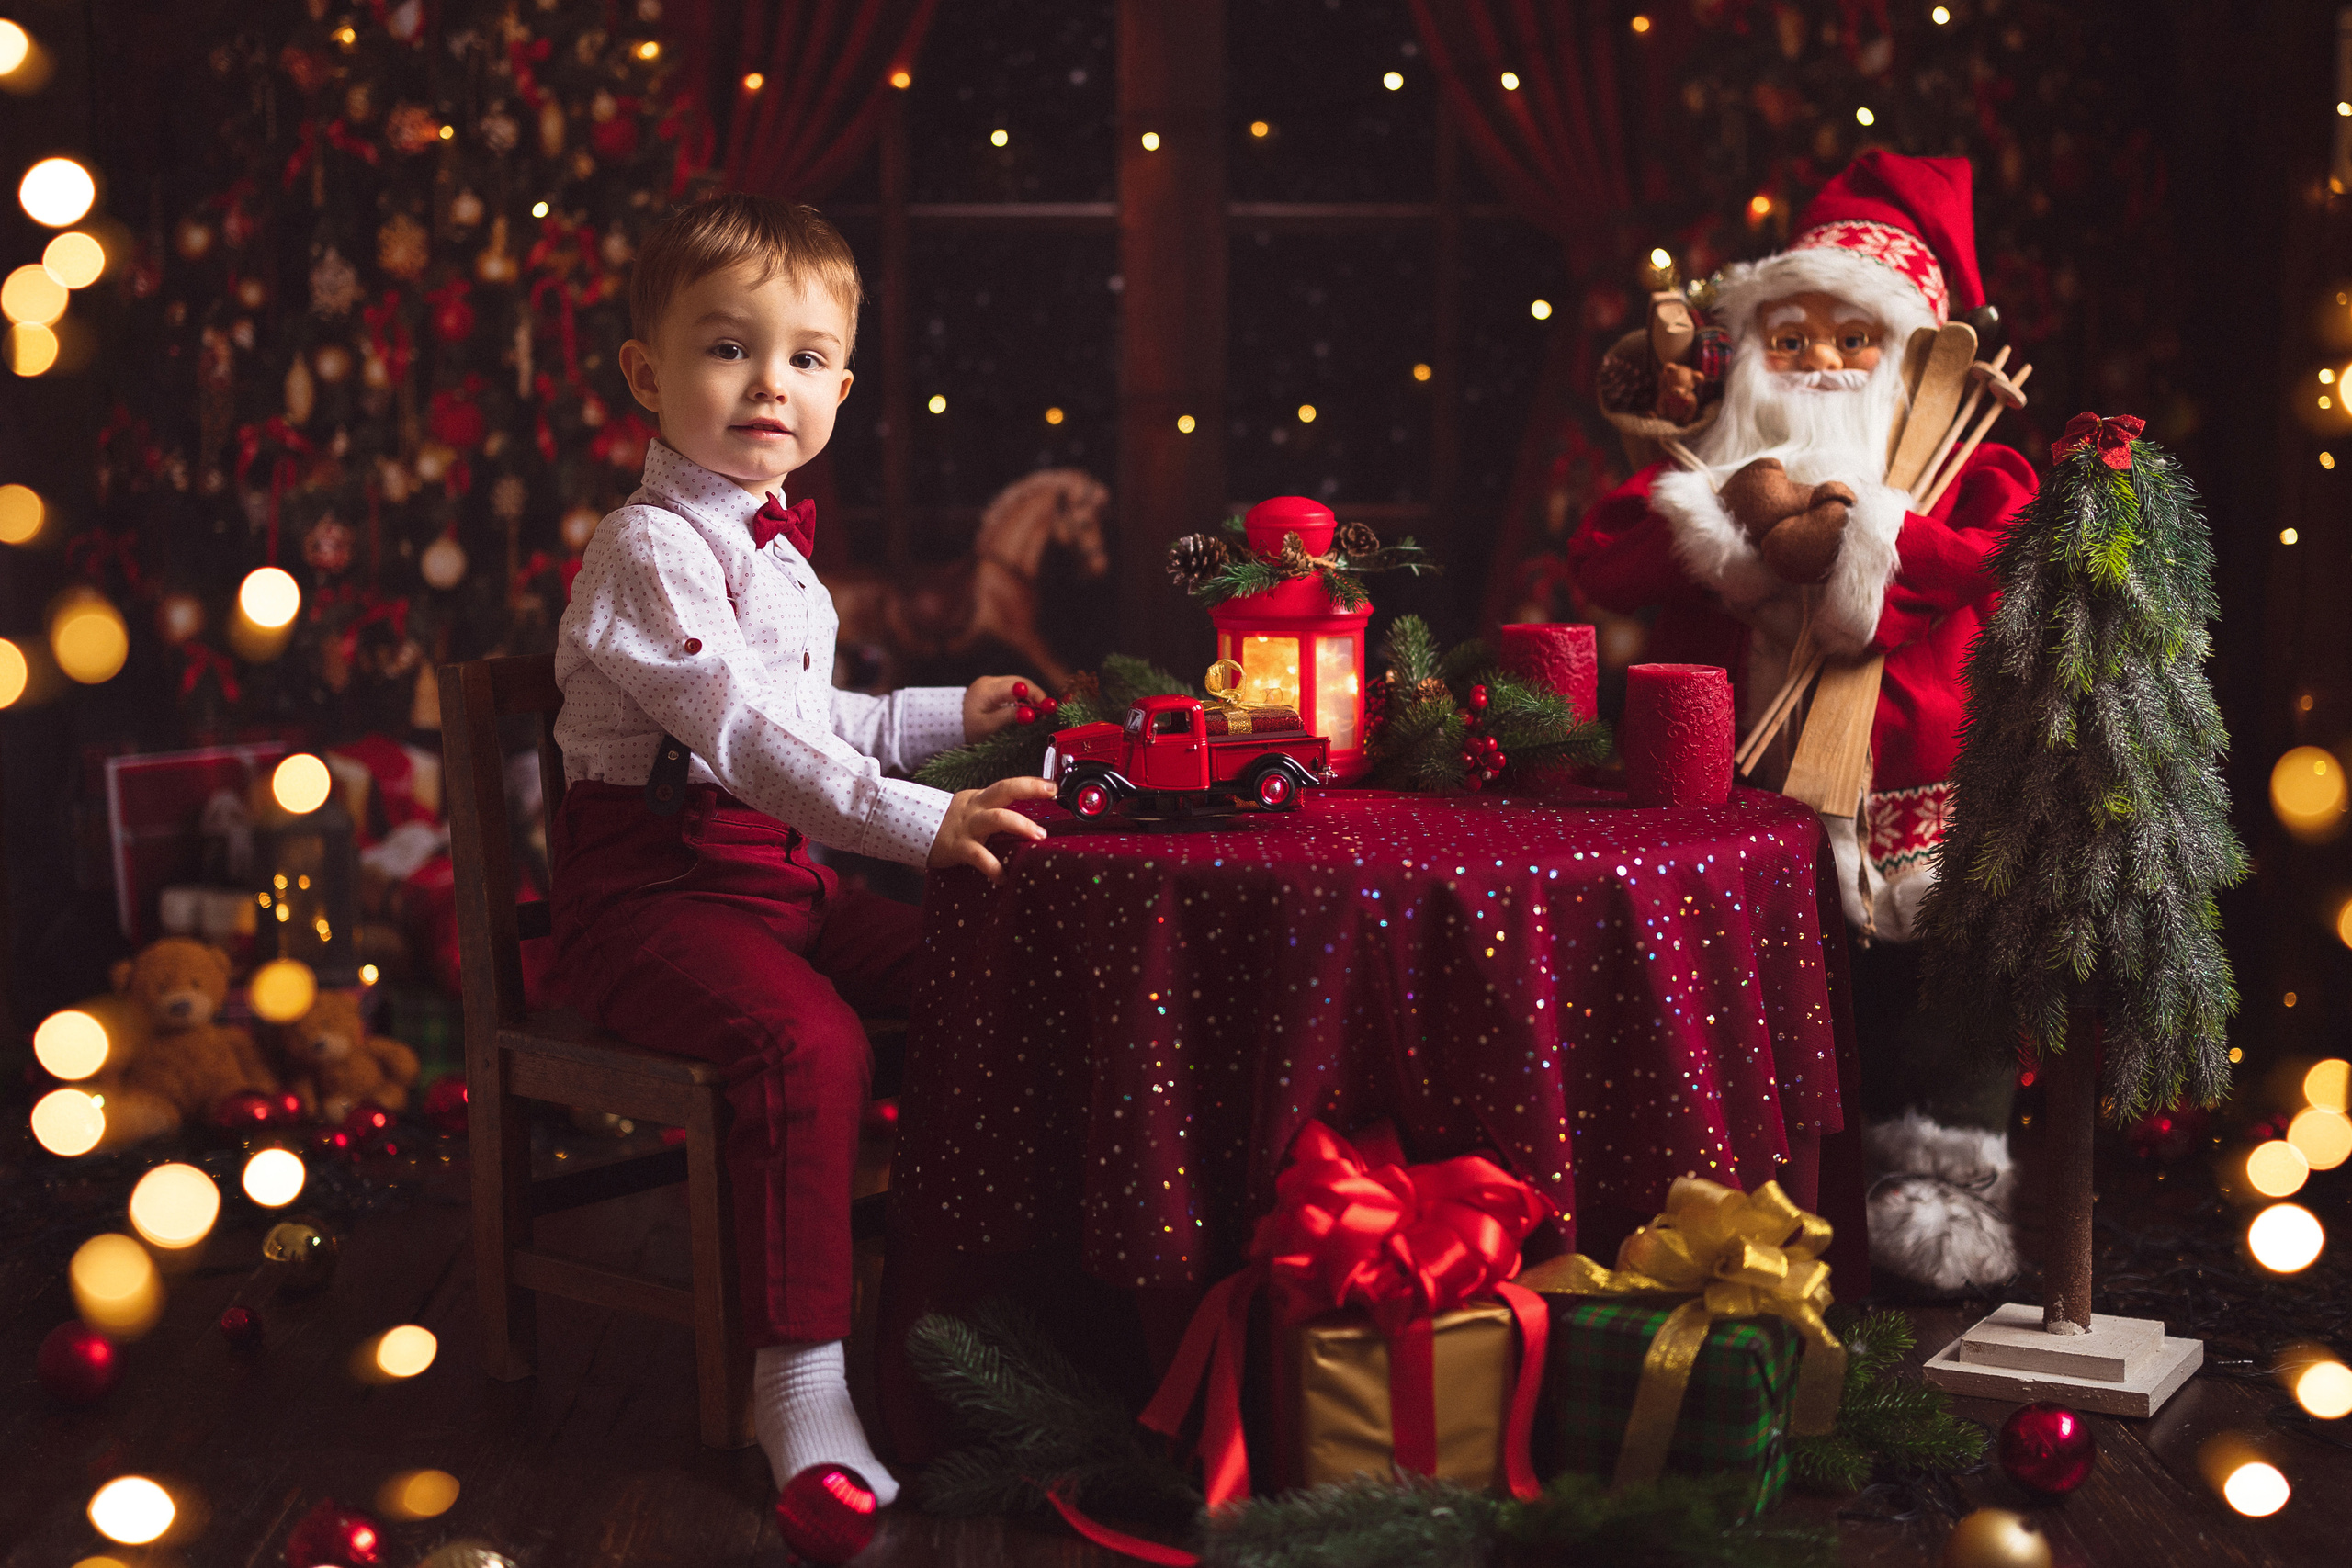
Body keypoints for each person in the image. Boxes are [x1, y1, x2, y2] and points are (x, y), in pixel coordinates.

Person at [546, 193, 1053, 1550]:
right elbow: (739, 736)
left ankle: (979, 1309)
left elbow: (820, 722)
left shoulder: (781, 560)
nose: (773, 381)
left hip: (777, 887)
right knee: (807, 1044)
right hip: (648, 897)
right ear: (648, 373)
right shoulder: (646, 547)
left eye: (809, 355)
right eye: (728, 347)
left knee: (989, 955)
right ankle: (801, 1375)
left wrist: (961, 718)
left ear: (838, 381)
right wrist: (920, 825)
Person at [1568, 152, 2037, 1293]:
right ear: (1753, 358)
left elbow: (1991, 548)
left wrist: (1868, 532)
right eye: (1792, 341)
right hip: (1751, 794)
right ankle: (1771, 1196)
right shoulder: (1715, 472)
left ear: (1913, 358)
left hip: (1920, 791)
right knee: (1781, 993)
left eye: (1854, 340)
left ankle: (1946, 1184)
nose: (1821, 364)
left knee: (1943, 990)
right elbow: (1606, 560)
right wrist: (1718, 510)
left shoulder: (1962, 469)